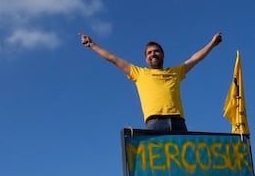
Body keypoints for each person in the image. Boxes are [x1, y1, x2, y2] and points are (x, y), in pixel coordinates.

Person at [79, 31, 223, 131]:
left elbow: (195, 59)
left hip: (178, 122)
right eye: (149, 52)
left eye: (156, 51)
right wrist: (92, 45)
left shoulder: (175, 72)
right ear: (146, 58)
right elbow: (113, 59)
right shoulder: (139, 73)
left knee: (182, 166)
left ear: (163, 55)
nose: (152, 54)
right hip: (155, 123)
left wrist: (212, 44)